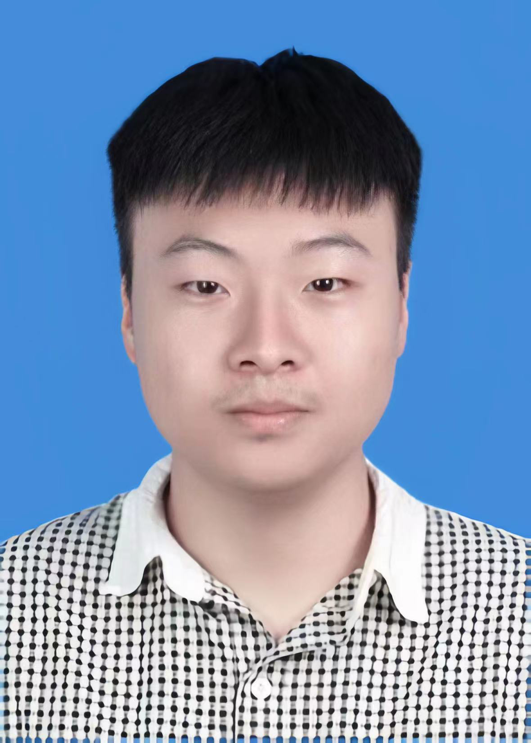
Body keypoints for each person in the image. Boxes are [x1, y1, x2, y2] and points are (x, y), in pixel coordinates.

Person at [1, 47, 529, 743]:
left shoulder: (517, 617)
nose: (266, 345)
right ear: (129, 311)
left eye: (324, 283)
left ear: (401, 304)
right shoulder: (12, 613)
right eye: (205, 285)